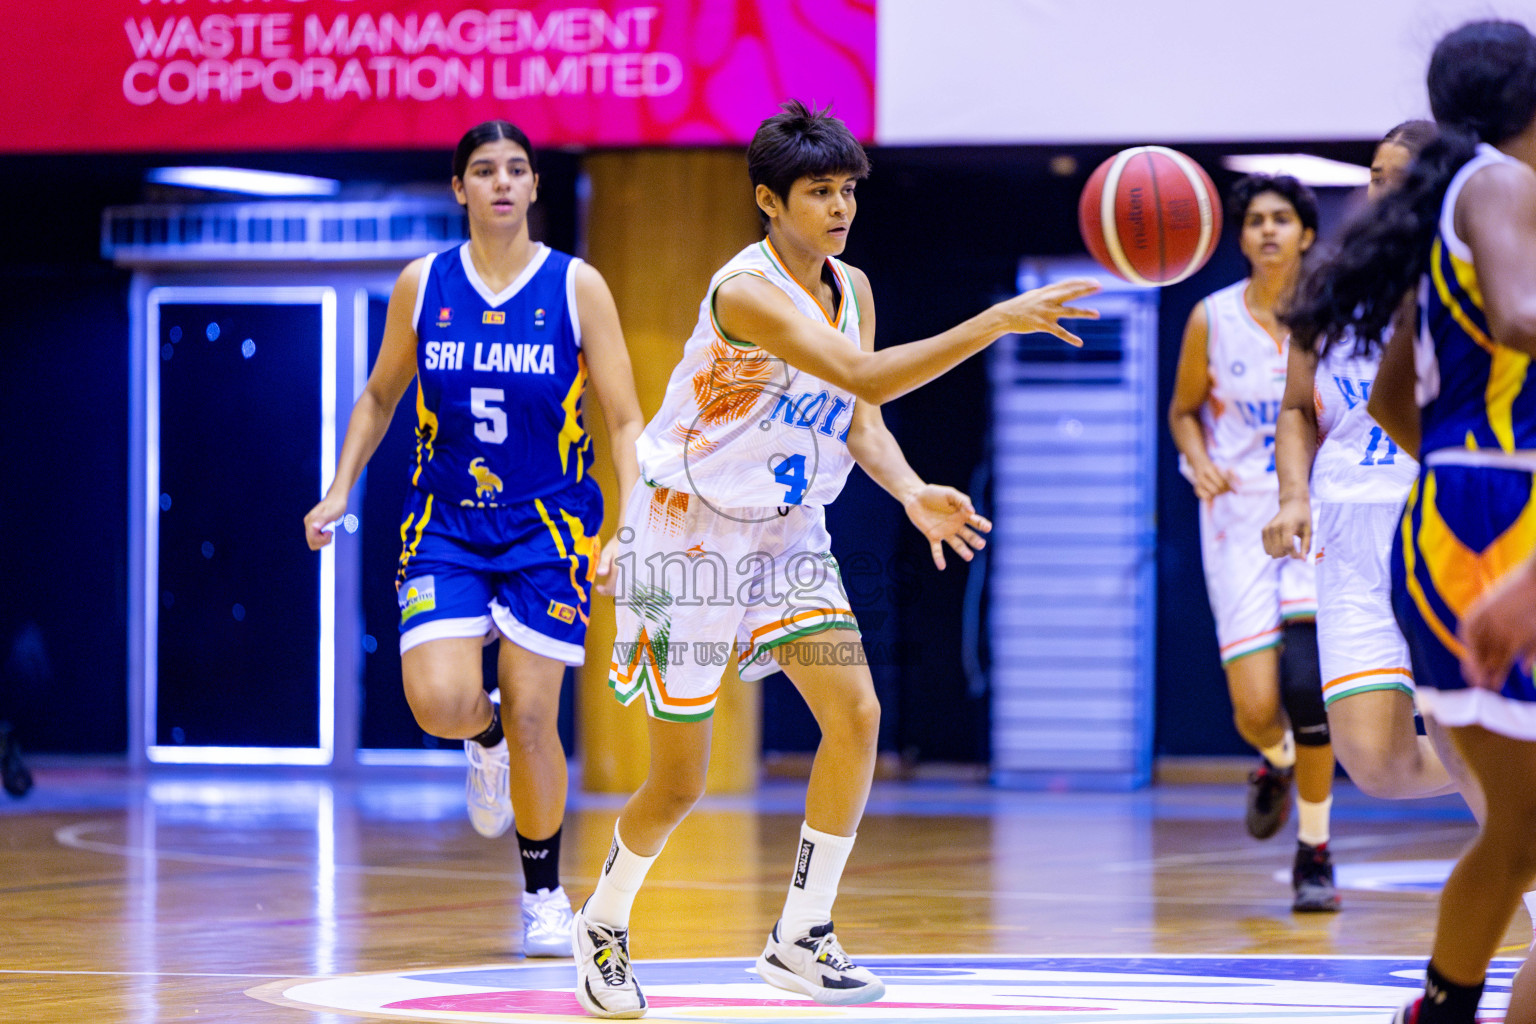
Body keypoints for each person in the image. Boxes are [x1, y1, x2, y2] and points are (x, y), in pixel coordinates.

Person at [570, 100, 1099, 1019]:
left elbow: (860, 418)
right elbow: (861, 373)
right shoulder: (745, 292)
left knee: (856, 714)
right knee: (682, 780)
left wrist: (910, 489)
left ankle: (800, 935)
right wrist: (996, 320)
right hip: (689, 532)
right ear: (769, 201)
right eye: (819, 191)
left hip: (785, 533)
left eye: (848, 189)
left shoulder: (852, 288)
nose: (841, 206)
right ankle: (602, 922)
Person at [303, 120, 645, 958]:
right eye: (484, 170)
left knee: (534, 713)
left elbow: (625, 418)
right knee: (439, 701)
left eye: (516, 169)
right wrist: (339, 488)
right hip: (445, 523)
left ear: (534, 186)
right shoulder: (424, 284)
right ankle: (480, 741)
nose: (501, 182)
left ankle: (543, 896)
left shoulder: (576, 286)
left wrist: (628, 529)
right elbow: (379, 397)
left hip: (549, 526)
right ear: (460, 188)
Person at [1283, 20, 1536, 1024]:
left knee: (1516, 832)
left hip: (1449, 509)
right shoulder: (1499, 184)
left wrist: (1460, 471)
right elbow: (1520, 319)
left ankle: (1440, 1008)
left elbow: (1394, 401)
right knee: (1515, 826)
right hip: (1499, 516)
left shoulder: (1444, 219)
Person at [1262, 121, 1479, 811]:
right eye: (1375, 177)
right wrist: (1293, 496)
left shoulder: (1474, 271)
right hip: (1349, 524)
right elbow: (1297, 408)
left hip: (1439, 515)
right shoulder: (1331, 284)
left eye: (1398, 177)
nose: (1382, 191)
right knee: (1378, 764)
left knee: (1464, 735)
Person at [1167, 173, 1340, 911]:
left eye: (1282, 218)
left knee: (1308, 687)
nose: (1268, 229)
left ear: (1307, 233)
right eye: (1255, 220)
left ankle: (1315, 852)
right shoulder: (1211, 317)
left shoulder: (1336, 316)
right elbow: (1183, 411)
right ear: (1240, 238)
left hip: (1314, 512)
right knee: (1257, 709)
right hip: (1237, 518)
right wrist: (1197, 458)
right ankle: (1274, 760)